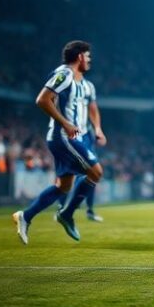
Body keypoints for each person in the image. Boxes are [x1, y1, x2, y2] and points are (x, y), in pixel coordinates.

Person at [12, 41, 103, 244]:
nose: (89, 60)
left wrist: (96, 128)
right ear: (79, 57)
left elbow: (93, 108)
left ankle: (25, 216)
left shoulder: (82, 82)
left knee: (63, 186)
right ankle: (67, 214)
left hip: (71, 136)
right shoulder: (65, 74)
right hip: (64, 136)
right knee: (96, 171)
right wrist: (66, 123)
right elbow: (42, 99)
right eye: (87, 57)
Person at [57, 83, 107, 222]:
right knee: (69, 172)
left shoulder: (89, 87)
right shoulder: (66, 83)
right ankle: (62, 207)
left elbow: (93, 108)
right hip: (73, 132)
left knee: (93, 174)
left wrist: (97, 129)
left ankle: (89, 209)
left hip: (87, 134)